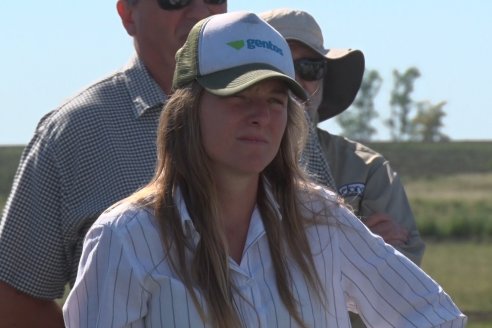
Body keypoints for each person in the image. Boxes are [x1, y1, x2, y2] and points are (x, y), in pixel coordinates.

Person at [63, 11, 466, 328]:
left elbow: (433, 317)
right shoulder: (126, 239)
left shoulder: (321, 220)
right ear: (187, 109)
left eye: (276, 100)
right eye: (237, 97)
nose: (261, 116)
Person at [0, 0, 227, 327]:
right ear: (127, 15)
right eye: (175, 0)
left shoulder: (277, 119)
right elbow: (16, 298)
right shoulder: (72, 134)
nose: (200, 13)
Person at [260, 8, 425, 266]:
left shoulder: (367, 169)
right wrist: (358, 245)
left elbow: (404, 272)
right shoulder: (225, 160)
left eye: (309, 68)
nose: (294, 81)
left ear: (323, 78)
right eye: (280, 67)